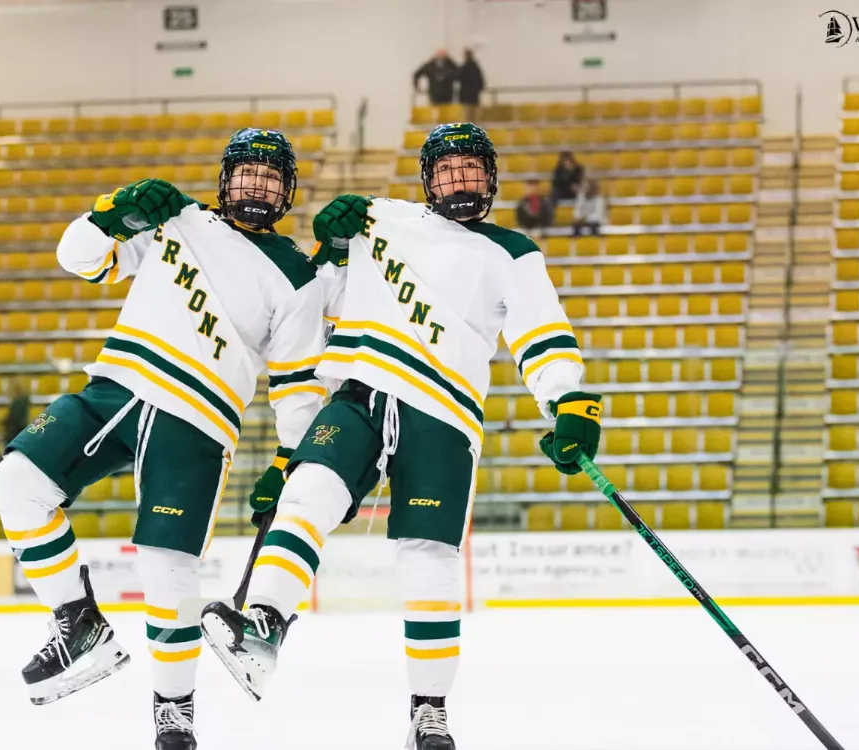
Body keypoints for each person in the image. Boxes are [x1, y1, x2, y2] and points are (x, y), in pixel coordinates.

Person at [201, 123, 604, 750]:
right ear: (427, 179)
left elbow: (542, 334)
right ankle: (263, 626)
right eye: (448, 169)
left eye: (471, 169)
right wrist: (335, 248)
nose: (460, 180)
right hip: (360, 390)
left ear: (491, 179)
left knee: (428, 560)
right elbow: (320, 302)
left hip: (444, 414)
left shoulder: (512, 252)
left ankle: (429, 712)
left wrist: (568, 403)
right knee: (306, 494)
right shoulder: (377, 220)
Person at [0, 128, 328, 750]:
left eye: (270, 177)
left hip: (197, 420)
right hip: (115, 386)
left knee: (167, 566)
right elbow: (78, 258)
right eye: (247, 173)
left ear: (287, 193)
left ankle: (174, 713)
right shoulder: (176, 219)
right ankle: (78, 623)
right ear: (225, 178)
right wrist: (110, 215)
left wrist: (289, 458)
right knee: (17, 481)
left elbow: (297, 385)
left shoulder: (299, 277)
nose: (257, 186)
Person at [2, 378, 32, 445]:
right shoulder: (23, 400)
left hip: (15, 433)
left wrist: (5, 421)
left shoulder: (18, 402)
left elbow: (15, 418)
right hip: (20, 431)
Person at [458, 48, 485, 116]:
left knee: (468, 109)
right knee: (474, 108)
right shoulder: (475, 66)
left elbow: (458, 76)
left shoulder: (465, 66)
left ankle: (469, 121)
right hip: (474, 91)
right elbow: (480, 79)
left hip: (467, 91)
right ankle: (472, 121)